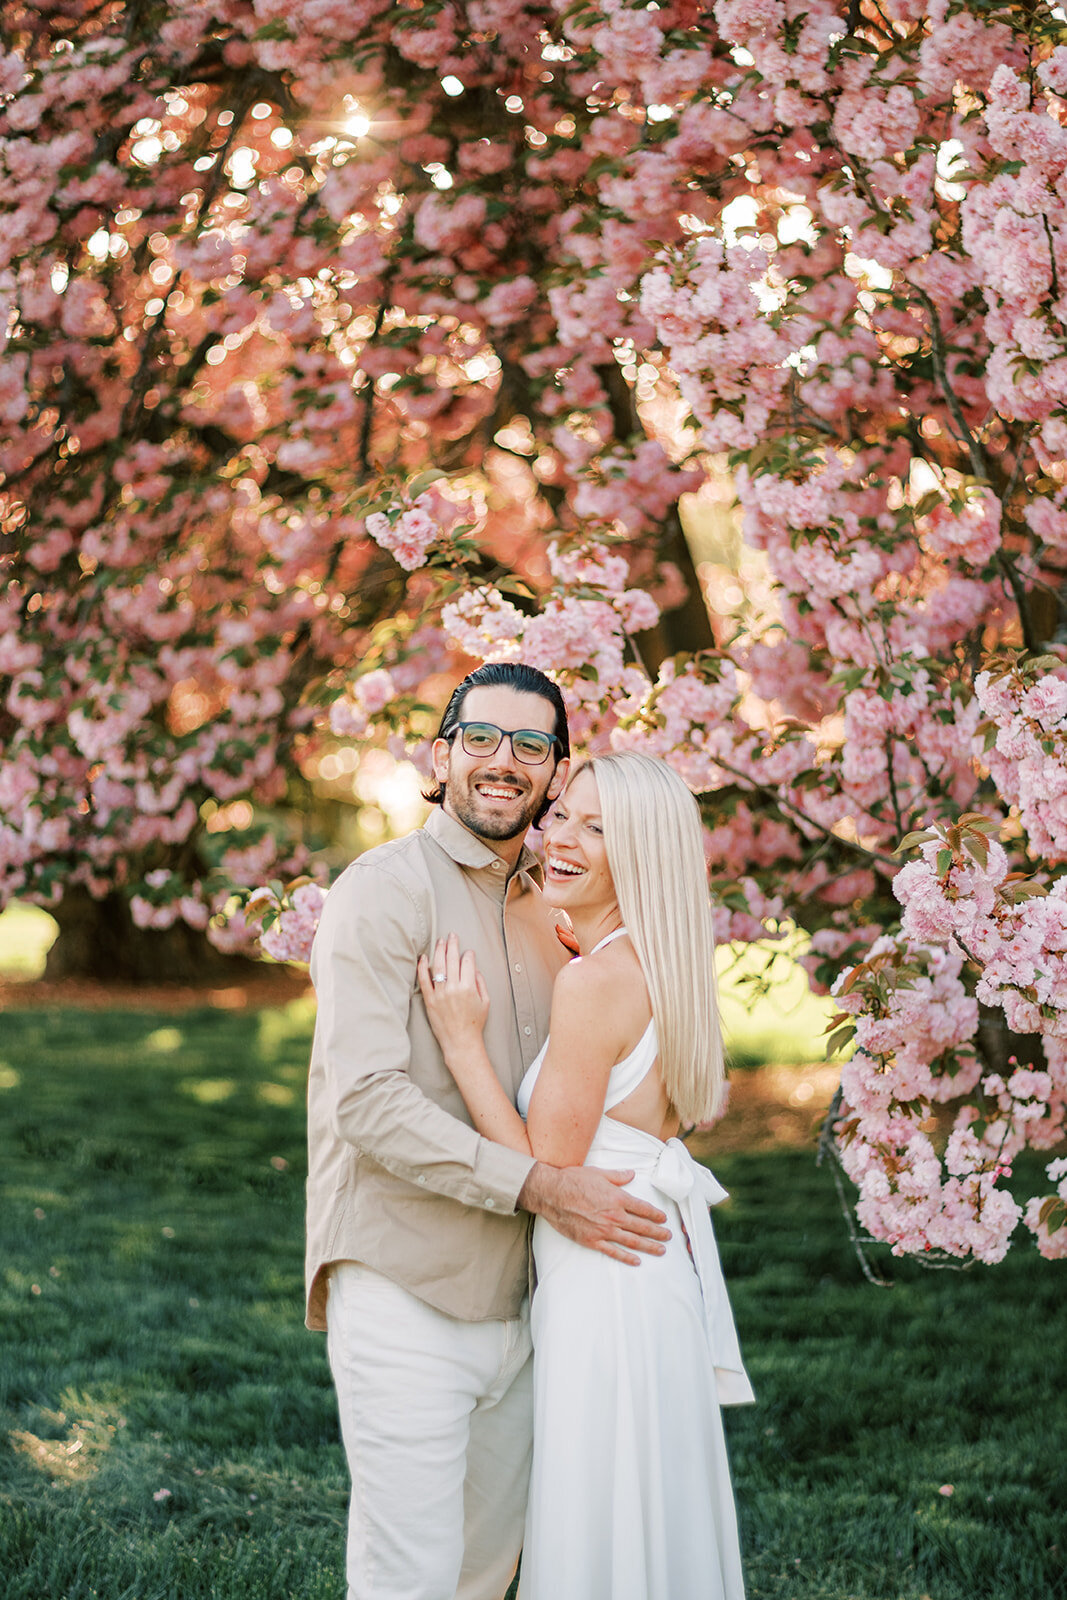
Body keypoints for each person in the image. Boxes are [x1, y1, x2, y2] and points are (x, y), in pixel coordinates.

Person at [306, 663, 672, 1600]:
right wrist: (539, 1187)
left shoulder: (558, 914)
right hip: (406, 1285)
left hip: (537, 1299)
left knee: (486, 1576)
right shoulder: (383, 891)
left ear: (555, 774)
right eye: (480, 738)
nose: (502, 761)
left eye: (531, 745)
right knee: (409, 1578)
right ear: (442, 754)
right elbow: (367, 1100)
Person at [419, 749, 755, 1600]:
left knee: (600, 1513)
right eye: (563, 812)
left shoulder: (596, 982)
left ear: (640, 853)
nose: (559, 836)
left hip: (605, 1276)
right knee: (640, 1513)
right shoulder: (656, 960)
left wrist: (462, 1044)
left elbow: (547, 1168)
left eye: (597, 828)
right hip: (645, 1264)